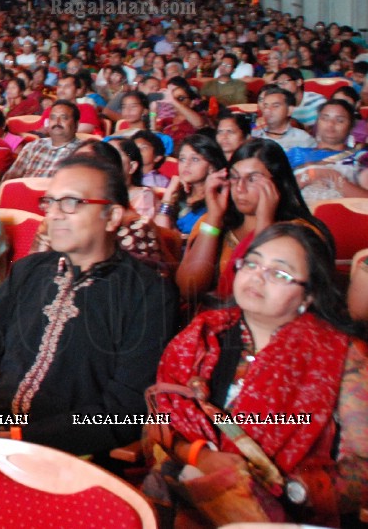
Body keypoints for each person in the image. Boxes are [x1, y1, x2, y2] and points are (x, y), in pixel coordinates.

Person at [0, 156, 178, 460]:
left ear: (112, 216)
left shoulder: (148, 292)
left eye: (70, 202)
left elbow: (123, 412)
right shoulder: (27, 271)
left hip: (73, 457)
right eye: (49, 202)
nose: (52, 214)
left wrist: (17, 437)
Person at [145, 222, 368, 527]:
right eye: (252, 263)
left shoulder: (341, 356)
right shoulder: (201, 337)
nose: (257, 276)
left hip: (287, 517)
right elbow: (157, 423)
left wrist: (289, 489)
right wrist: (200, 457)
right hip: (187, 501)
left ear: (309, 296)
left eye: (278, 273)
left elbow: (363, 468)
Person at [176, 138, 331, 301]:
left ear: (277, 183)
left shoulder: (299, 233)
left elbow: (263, 296)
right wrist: (214, 218)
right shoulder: (214, 220)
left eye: (252, 179)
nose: (240, 188)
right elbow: (189, 288)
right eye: (235, 177)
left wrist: (264, 221)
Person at [153, 133, 227, 237]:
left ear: (211, 166)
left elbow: (210, 236)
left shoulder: (217, 201)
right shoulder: (178, 195)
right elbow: (160, 234)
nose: (186, 164)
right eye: (182, 159)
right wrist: (169, 194)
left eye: (195, 159)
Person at [1, 100, 86, 182]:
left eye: (64, 118)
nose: (57, 122)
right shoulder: (33, 146)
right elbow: (9, 179)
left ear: (76, 125)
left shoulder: (83, 152)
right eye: (53, 118)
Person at [252, 85, 317, 151]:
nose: (268, 110)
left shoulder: (303, 140)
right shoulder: (254, 135)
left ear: (289, 110)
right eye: (266, 106)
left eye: (275, 106)